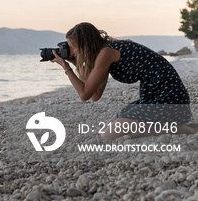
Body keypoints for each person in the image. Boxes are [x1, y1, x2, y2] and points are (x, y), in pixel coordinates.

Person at [51, 22, 195, 140]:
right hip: (154, 96)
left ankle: (179, 128)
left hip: (168, 98)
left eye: (72, 47)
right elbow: (95, 95)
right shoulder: (104, 52)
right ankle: (177, 126)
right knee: (106, 130)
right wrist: (76, 65)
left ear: (85, 45)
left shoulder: (106, 53)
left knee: (108, 135)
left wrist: (66, 67)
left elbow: (84, 94)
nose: (70, 52)